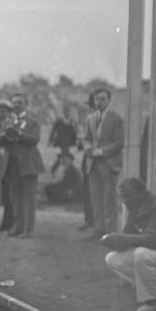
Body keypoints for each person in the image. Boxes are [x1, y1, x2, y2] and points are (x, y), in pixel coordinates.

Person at [101, 178, 156, 311]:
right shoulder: (135, 209)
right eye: (123, 196)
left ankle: (153, 300)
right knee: (112, 258)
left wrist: (124, 238)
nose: (125, 200)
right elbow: (127, 237)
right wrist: (113, 241)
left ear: (141, 192)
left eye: (128, 195)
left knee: (141, 254)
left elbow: (154, 240)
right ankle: (155, 288)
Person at [0, 93, 44, 238]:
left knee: (28, 198)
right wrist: (5, 136)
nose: (16, 105)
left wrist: (18, 134)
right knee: (15, 197)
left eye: (20, 102)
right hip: (12, 164)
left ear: (25, 105)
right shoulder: (7, 121)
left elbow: (35, 139)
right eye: (14, 102)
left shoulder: (32, 121)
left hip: (28, 164)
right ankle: (18, 227)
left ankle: (29, 229)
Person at [83, 87, 124, 241]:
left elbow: (120, 143)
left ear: (109, 100)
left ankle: (111, 233)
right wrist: (87, 147)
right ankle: (99, 229)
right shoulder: (90, 118)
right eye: (96, 99)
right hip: (93, 164)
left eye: (102, 99)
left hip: (109, 164)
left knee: (110, 199)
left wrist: (101, 151)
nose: (99, 102)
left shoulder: (117, 119)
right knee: (96, 198)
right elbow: (86, 138)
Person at [0, 99, 16, 233]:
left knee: (10, 194)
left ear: (9, 112)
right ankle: (7, 222)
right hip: (2, 160)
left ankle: (11, 223)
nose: (1, 113)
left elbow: (6, 140)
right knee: (5, 194)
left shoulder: (10, 123)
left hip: (10, 161)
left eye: (4, 111)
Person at [77, 93, 96, 232]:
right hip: (87, 160)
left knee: (96, 192)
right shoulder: (87, 122)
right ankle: (89, 220)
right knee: (87, 191)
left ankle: (96, 221)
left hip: (98, 159)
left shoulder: (101, 121)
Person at [48, 106, 77, 177]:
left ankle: (56, 169)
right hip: (61, 141)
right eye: (65, 112)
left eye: (68, 112)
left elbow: (73, 132)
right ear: (64, 113)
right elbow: (53, 130)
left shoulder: (72, 121)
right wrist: (50, 140)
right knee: (66, 155)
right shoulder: (59, 121)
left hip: (68, 141)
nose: (67, 113)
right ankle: (57, 169)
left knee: (65, 155)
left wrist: (75, 141)